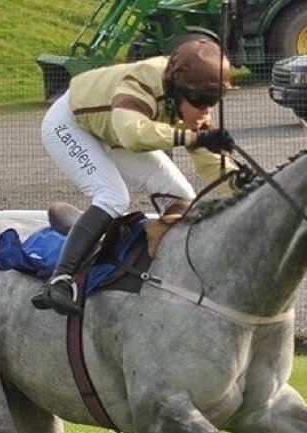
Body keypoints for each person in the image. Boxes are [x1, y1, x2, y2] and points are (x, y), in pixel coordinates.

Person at [32, 38, 244, 316]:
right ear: (178, 90)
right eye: (202, 101)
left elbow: (210, 162)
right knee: (113, 196)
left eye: (214, 101)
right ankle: (59, 281)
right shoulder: (144, 79)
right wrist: (196, 136)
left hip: (110, 129)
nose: (206, 110)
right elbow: (132, 134)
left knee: (183, 197)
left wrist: (241, 184)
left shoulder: (187, 103)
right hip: (71, 124)